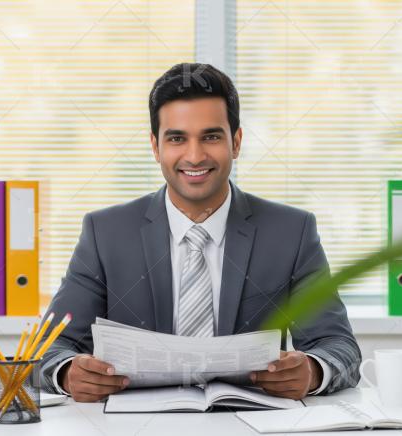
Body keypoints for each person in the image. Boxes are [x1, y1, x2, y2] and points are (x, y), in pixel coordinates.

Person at [41, 63, 361, 402]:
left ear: (236, 142)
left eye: (211, 137)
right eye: (177, 138)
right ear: (155, 147)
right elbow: (48, 348)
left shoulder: (291, 232)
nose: (194, 156)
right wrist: (67, 373)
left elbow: (339, 347)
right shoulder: (105, 233)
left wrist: (312, 371)